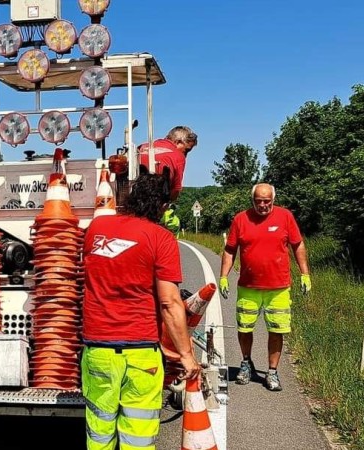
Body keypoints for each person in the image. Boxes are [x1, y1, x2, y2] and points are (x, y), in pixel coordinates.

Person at [82, 173, 200, 450]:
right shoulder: (161, 238)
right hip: (141, 353)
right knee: (137, 433)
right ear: (162, 206)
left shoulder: (97, 228)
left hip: (97, 350)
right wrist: (185, 354)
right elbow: (170, 303)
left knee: (99, 430)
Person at [218, 183, 311, 392]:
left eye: (267, 201)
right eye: (258, 201)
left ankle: (272, 372)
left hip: (278, 287)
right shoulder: (241, 219)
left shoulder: (285, 217)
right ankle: (246, 363)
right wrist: (223, 276)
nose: (262, 205)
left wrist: (305, 273)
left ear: (273, 200)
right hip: (248, 287)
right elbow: (230, 249)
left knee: (277, 330)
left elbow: (298, 245)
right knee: (244, 328)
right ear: (252, 200)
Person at [138, 126, 198, 202]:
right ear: (178, 142)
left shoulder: (142, 147)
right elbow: (175, 191)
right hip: (153, 203)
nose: (185, 155)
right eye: (186, 150)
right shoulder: (178, 156)